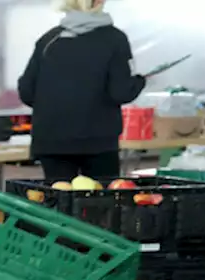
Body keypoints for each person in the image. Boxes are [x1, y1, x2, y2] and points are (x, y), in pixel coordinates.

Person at [18, 0, 145, 181]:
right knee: (99, 203)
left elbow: (26, 91)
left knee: (59, 201)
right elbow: (121, 92)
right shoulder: (115, 39)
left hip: (51, 139)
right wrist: (139, 81)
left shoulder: (48, 40)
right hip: (97, 140)